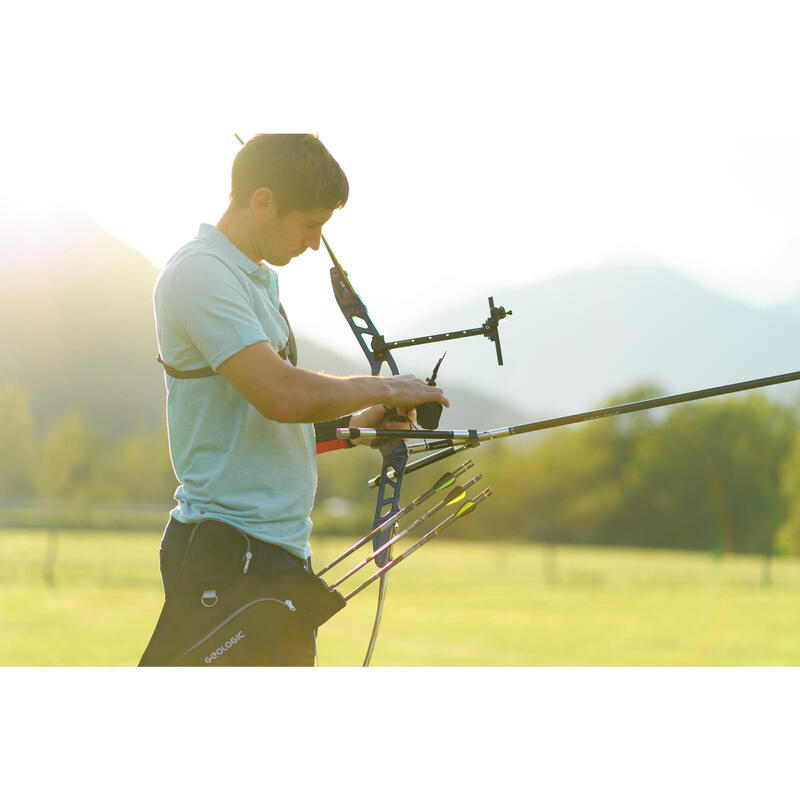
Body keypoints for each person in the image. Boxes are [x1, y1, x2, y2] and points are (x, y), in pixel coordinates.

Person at [145, 134, 447, 665]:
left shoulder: (257, 279)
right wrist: (389, 386)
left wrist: (358, 422)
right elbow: (281, 395)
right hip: (226, 553)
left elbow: (269, 423)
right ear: (262, 201)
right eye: (310, 224)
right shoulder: (199, 274)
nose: (314, 244)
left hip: (276, 554)